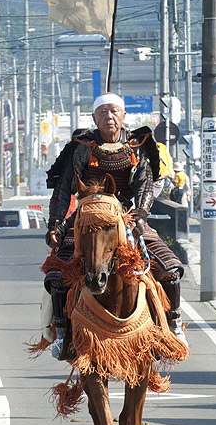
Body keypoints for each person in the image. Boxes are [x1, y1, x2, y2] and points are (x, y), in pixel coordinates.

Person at [43, 92, 187, 356]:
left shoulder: (137, 145)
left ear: (123, 116)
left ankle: (173, 325)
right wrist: (55, 223)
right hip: (87, 217)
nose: (109, 117)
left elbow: (145, 183)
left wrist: (142, 214)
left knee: (170, 269)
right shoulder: (81, 147)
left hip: (127, 217)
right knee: (57, 274)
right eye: (103, 112)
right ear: (94, 118)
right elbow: (64, 188)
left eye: (114, 111)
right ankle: (62, 333)